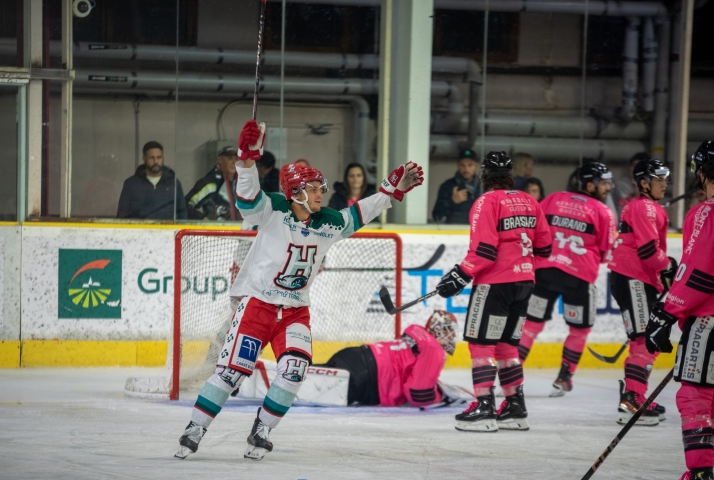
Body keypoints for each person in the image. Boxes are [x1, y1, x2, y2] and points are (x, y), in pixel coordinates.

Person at [175, 119, 424, 461]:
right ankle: (196, 428)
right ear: (296, 192)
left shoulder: (328, 222)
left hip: (295, 311)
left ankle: (261, 429)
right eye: (315, 186)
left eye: (321, 186)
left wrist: (389, 192)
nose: (322, 191)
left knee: (294, 369)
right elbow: (247, 200)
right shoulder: (274, 209)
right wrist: (246, 160)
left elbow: (358, 214)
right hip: (258, 307)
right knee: (232, 372)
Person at [436, 151, 552, 433]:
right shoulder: (529, 201)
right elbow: (545, 248)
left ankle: (484, 405)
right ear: (510, 175)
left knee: (481, 345)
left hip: (494, 285)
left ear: (484, 175)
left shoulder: (486, 201)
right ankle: (515, 406)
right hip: (525, 283)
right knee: (507, 347)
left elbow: (484, 252)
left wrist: (459, 274)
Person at [645, 140, 714, 480]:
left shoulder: (705, 212)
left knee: (696, 395)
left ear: (701, 173)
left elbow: (699, 273)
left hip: (709, 319)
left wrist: (666, 313)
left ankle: (703, 479)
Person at [517, 162, 617, 397]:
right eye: (603, 183)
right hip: (578, 278)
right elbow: (606, 252)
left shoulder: (552, 199)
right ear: (589, 184)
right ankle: (563, 379)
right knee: (579, 330)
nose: (608, 188)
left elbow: (533, 231)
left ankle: (510, 375)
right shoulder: (604, 212)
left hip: (544, 273)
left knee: (530, 325)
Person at [607, 159, 676, 426]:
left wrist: (664, 271)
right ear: (644, 183)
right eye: (659, 179)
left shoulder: (648, 207)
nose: (664, 184)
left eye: (665, 179)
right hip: (633, 277)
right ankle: (632, 399)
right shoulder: (644, 207)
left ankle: (634, 396)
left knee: (645, 340)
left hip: (638, 278)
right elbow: (648, 251)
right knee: (645, 339)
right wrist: (669, 266)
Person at [322, 311, 458, 407]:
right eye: (448, 330)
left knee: (308, 375)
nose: (451, 336)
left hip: (353, 356)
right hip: (366, 379)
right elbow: (418, 394)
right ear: (438, 330)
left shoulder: (416, 332)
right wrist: (441, 397)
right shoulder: (433, 349)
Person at [116, 141, 188, 220]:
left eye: (159, 157)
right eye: (152, 158)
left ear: (163, 158)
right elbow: (122, 214)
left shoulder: (173, 183)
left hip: (169, 230)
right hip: (139, 230)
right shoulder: (131, 184)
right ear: (144, 159)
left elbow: (182, 212)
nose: (156, 161)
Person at [186, 146, 241, 220]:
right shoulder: (209, 183)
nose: (234, 162)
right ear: (219, 160)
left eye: (236, 159)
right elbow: (184, 206)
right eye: (230, 158)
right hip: (215, 230)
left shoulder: (242, 184)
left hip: (239, 230)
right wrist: (202, 218)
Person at [432, 148, 480, 224]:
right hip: (455, 232)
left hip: (478, 231)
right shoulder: (448, 186)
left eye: (470, 165)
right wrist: (452, 201)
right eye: (462, 165)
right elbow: (437, 216)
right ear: (458, 165)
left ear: (476, 165)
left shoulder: (482, 186)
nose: (466, 169)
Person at [611, 152, 649, 217]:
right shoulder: (621, 185)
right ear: (629, 167)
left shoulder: (652, 184)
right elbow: (628, 206)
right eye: (634, 166)